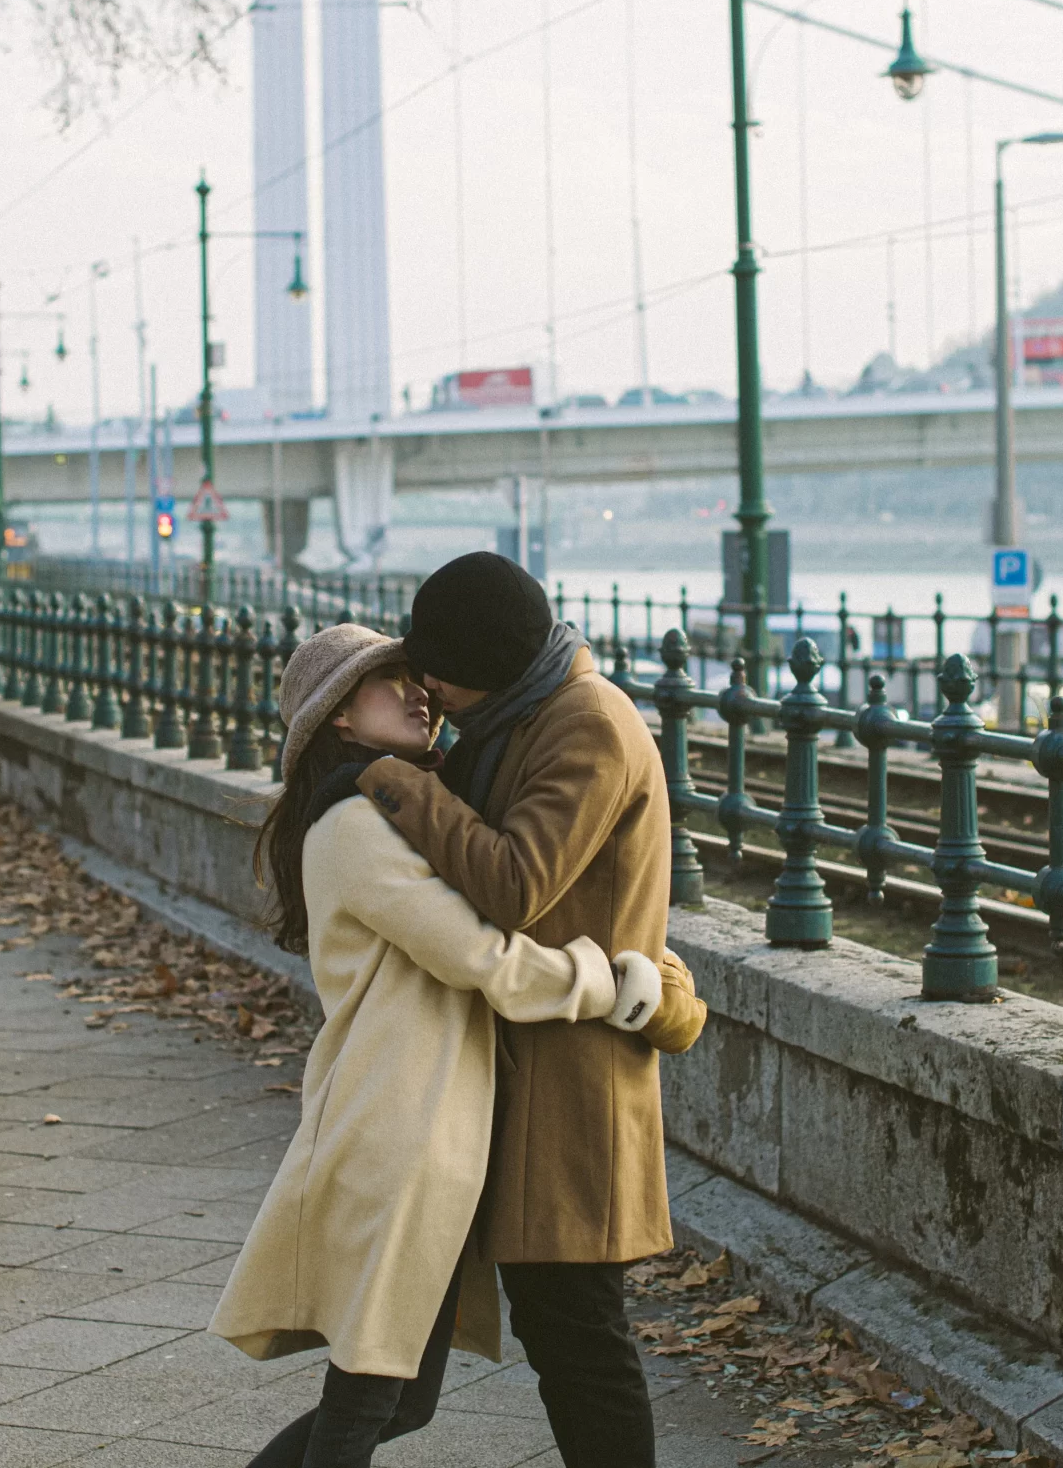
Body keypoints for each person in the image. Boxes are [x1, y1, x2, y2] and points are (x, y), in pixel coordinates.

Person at [212, 625, 699, 1468]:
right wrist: (613, 981)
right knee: (369, 1398)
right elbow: (485, 958)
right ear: (339, 722)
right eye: (385, 683)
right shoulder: (356, 829)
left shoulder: (394, 808)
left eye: (415, 676)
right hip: (400, 1134)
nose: (418, 692)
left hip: (428, 1130)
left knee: (394, 1398)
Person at [346, 552, 688, 1468]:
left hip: (571, 1084)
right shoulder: (519, 717)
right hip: (526, 1070)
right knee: (560, 1335)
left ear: (487, 662)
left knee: (581, 1338)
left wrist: (396, 777)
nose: (426, 686)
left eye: (437, 669)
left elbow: (515, 881)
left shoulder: (588, 728)